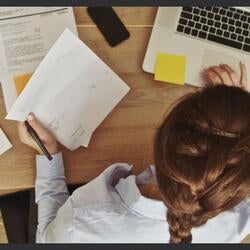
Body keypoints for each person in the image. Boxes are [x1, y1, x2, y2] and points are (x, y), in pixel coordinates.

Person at [17, 63, 250, 243]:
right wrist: (236, 111)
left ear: (162, 137)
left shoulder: (83, 220)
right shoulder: (238, 219)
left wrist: (48, 154)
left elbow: (46, 236)